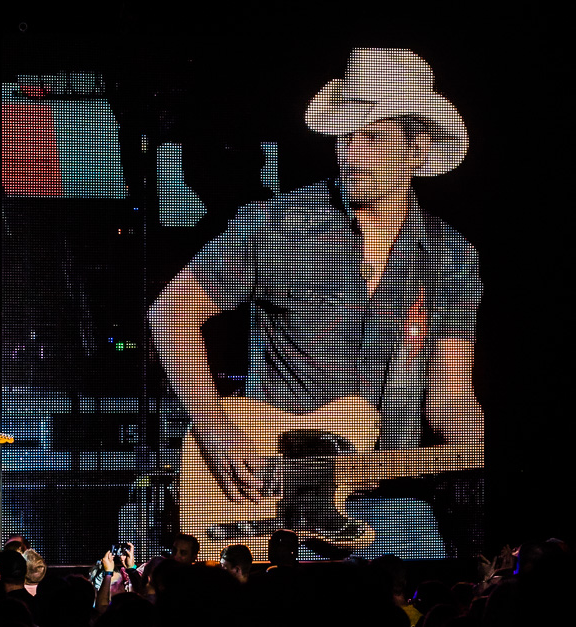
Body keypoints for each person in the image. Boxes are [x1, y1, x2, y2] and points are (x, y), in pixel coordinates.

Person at [148, 48, 484, 561]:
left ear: (417, 150)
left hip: (394, 508)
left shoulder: (451, 254)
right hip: (268, 498)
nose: (351, 152)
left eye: (372, 136)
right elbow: (171, 312)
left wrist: (475, 437)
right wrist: (216, 429)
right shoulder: (277, 224)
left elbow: (448, 391)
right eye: (345, 135)